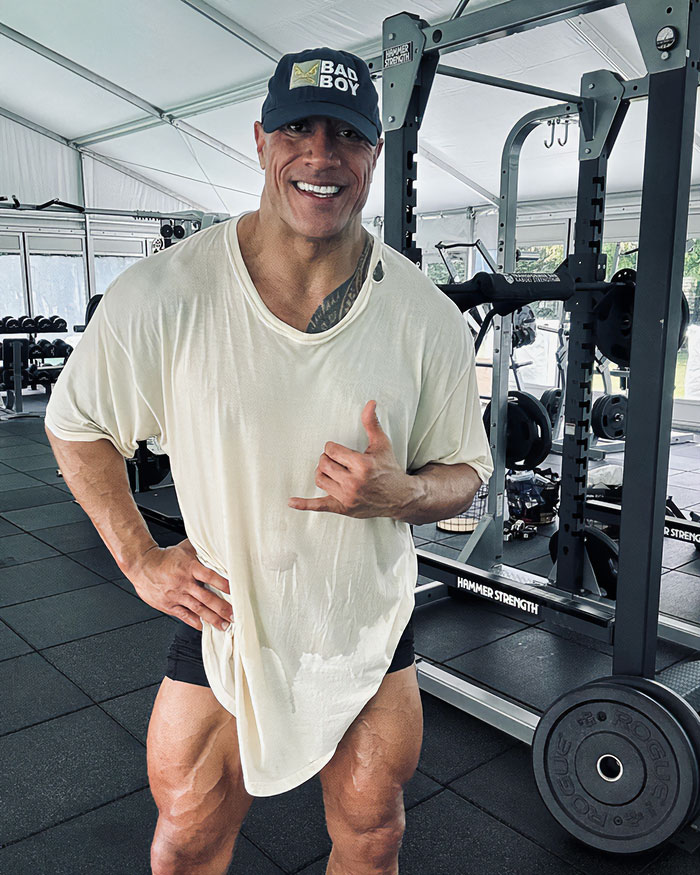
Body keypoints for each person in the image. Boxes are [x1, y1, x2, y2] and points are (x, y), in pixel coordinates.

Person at [44, 46, 493, 875]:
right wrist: (140, 556)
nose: (321, 156)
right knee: (184, 843)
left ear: (373, 155)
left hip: (362, 618)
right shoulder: (164, 294)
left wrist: (403, 492)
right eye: (298, 130)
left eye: (347, 137)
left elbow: (469, 473)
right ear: (260, 141)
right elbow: (76, 425)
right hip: (227, 619)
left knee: (374, 834)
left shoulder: (426, 318)